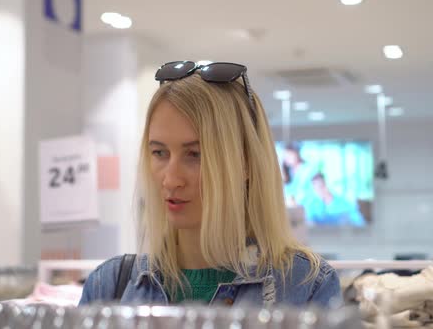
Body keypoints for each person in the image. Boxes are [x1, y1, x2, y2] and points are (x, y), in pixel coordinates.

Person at [79, 61, 341, 307]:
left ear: (246, 164)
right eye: (159, 153)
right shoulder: (109, 285)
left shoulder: (305, 287)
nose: (171, 180)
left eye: (195, 155)